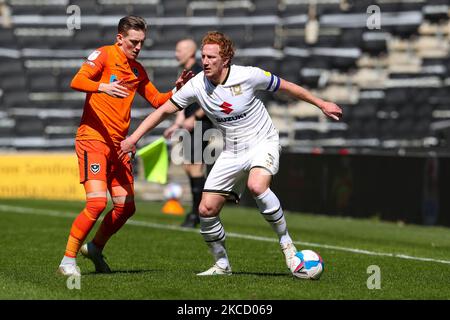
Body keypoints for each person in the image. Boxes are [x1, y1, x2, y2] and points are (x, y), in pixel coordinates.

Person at [120, 31, 342, 276]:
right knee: (206, 210)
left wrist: (322, 104)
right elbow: (163, 111)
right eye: (203, 56)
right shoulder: (196, 84)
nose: (205, 61)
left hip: (262, 142)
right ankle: (222, 264)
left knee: (257, 186)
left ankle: (287, 245)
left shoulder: (248, 75)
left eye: (211, 57)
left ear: (225, 60)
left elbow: (287, 87)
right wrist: (133, 138)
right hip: (232, 150)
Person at [57, 15, 192, 276]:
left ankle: (95, 248)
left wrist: (177, 90)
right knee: (96, 204)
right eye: (134, 41)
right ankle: (67, 260)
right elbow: (76, 81)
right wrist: (103, 87)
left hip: (119, 146)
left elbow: (157, 100)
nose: (138, 47)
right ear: (120, 38)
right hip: (93, 140)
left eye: (142, 42)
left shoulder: (137, 70)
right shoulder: (104, 55)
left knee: (126, 206)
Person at [163, 38, 213, 228]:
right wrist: (176, 124)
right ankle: (198, 212)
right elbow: (183, 103)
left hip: (203, 124)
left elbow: (210, 99)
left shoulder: (201, 71)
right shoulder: (186, 73)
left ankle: (197, 214)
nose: (177, 54)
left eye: (180, 50)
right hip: (190, 125)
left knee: (195, 167)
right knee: (188, 167)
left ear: (191, 52)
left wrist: (195, 117)